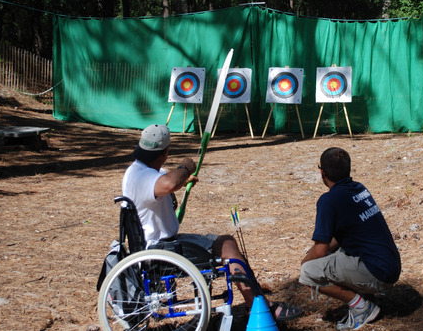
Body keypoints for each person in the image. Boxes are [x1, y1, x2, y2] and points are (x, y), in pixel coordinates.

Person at [122, 124, 303, 322]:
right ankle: (258, 305)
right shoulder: (144, 176)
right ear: (165, 152)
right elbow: (168, 183)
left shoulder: (137, 171)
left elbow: (163, 187)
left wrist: (184, 181)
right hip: (162, 250)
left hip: (160, 245)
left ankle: (256, 301)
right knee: (226, 246)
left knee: (227, 242)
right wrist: (185, 167)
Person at [300, 147, 401, 330]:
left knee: (308, 272)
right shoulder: (358, 189)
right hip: (390, 265)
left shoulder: (328, 200)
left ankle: (361, 306)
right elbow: (342, 237)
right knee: (337, 252)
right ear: (348, 169)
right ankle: (366, 296)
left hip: (377, 273)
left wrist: (304, 261)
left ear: (322, 173)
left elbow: (321, 249)